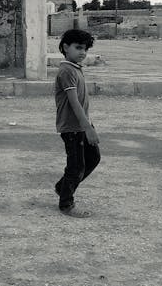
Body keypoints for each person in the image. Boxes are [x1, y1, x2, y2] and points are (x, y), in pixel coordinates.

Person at [54, 29, 101, 218]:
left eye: (85, 49)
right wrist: (87, 128)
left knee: (93, 158)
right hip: (73, 128)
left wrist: (89, 124)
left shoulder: (75, 68)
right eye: (78, 48)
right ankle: (66, 203)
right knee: (76, 166)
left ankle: (62, 187)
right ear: (66, 47)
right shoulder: (66, 71)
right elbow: (73, 103)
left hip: (82, 124)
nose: (83, 52)